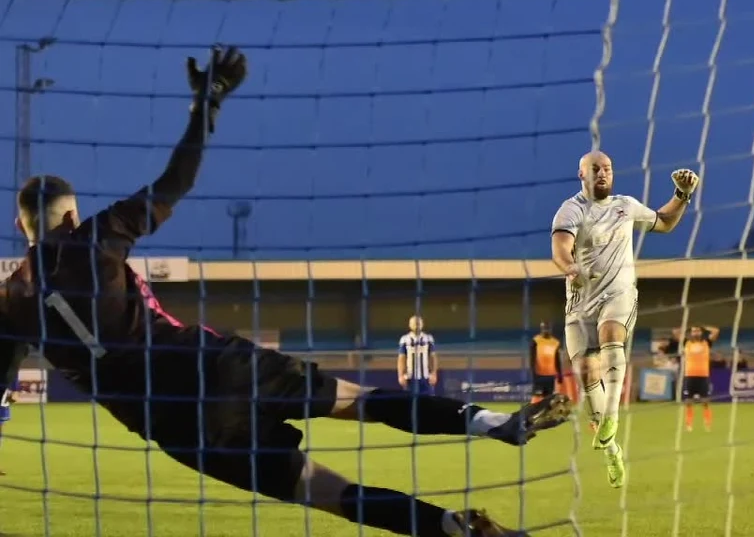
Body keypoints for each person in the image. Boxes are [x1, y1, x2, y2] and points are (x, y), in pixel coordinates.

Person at [0, 47, 571, 537]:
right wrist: (206, 106)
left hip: (176, 426)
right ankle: (493, 424)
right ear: (69, 214)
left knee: (324, 492)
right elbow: (175, 179)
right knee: (360, 402)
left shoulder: (10, 303)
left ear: (20, 223)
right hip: (214, 366)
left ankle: (448, 526)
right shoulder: (96, 237)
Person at [550, 150, 698, 489]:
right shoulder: (571, 209)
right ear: (581, 174)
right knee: (586, 372)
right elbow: (560, 246)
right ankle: (611, 449)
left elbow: (663, 222)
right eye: (595, 169)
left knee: (611, 334)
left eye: (608, 169)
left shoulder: (625, 205)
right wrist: (570, 266)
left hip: (618, 294)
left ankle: (613, 415)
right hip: (580, 301)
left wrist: (682, 195)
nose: (602, 174)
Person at [680, 325, 719, 433]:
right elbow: (675, 332)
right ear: (691, 333)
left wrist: (705, 327)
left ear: (701, 332)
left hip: (703, 376)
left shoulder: (707, 342)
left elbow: (716, 331)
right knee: (688, 401)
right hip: (689, 376)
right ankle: (689, 425)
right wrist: (686, 329)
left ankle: (707, 424)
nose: (696, 333)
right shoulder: (686, 343)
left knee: (705, 402)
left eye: (698, 331)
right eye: (693, 331)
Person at [398, 315, 437, 395]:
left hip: (426, 378)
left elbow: (432, 357)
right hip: (410, 378)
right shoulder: (405, 339)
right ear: (410, 325)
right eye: (414, 324)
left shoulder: (428, 338)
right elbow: (401, 358)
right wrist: (401, 375)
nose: (417, 326)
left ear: (422, 325)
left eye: (419, 324)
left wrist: (434, 373)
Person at [529, 322, 563, 404]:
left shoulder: (556, 342)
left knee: (549, 399)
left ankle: (547, 416)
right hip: (539, 375)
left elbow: (557, 359)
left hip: (550, 376)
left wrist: (559, 374)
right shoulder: (535, 341)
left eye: (547, 328)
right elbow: (532, 358)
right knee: (537, 398)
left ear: (550, 329)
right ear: (541, 329)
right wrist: (533, 372)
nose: (546, 330)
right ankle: (533, 415)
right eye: (544, 328)